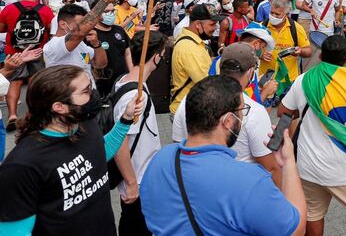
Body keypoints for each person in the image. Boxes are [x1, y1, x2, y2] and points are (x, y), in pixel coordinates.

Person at [141, 75, 306, 235]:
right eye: (242, 111)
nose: (242, 117)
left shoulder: (160, 159)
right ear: (228, 120)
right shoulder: (249, 181)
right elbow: (296, 230)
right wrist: (289, 162)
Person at [0, 65, 144, 235]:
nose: (93, 95)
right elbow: (14, 231)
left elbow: (99, 153)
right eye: (86, 91)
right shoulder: (22, 165)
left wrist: (125, 120)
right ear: (59, 107)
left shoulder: (84, 124)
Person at [278, 36, 346, 236]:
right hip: (344, 169)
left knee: (312, 215)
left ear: (320, 55)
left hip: (307, 166)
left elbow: (282, 111)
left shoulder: (304, 79)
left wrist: (303, 108)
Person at [172, 43, 280, 184]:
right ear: (250, 72)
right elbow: (271, 168)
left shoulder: (190, 98)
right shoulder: (254, 110)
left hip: (195, 184)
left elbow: (178, 144)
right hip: (240, 191)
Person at [112, 31, 166, 235]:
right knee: (136, 227)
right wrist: (131, 183)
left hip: (139, 176)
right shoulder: (136, 95)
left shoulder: (125, 80)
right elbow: (120, 143)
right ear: (156, 57)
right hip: (137, 178)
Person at [0, 0, 54, 131]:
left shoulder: (9, 8)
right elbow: (51, 29)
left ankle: (12, 115)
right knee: (35, 82)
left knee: (15, 82)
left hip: (14, 52)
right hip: (37, 52)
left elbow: (1, 28)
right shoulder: (45, 10)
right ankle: (32, 114)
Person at [43, 0, 116, 82]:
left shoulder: (82, 46)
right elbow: (79, 32)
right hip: (67, 95)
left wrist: (97, 44)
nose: (84, 27)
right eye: (79, 24)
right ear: (63, 24)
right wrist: (104, 0)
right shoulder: (53, 46)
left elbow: (100, 64)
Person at [170, 4, 217, 115]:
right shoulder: (189, 48)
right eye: (212, 25)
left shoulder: (194, 42)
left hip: (191, 108)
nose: (214, 29)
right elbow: (207, 83)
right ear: (197, 24)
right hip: (187, 112)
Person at [262, 0, 312, 95]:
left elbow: (308, 51)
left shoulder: (296, 28)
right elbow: (251, 49)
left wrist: (300, 51)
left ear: (286, 15)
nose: (273, 16)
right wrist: (260, 55)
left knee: (287, 109)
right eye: (272, 13)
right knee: (265, 107)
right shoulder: (262, 27)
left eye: (277, 14)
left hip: (289, 79)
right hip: (266, 78)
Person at [93, 0, 133, 97]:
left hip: (121, 79)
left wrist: (132, 74)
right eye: (106, 12)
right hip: (102, 82)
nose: (110, 14)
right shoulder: (92, 34)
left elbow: (127, 53)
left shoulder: (119, 30)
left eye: (112, 11)